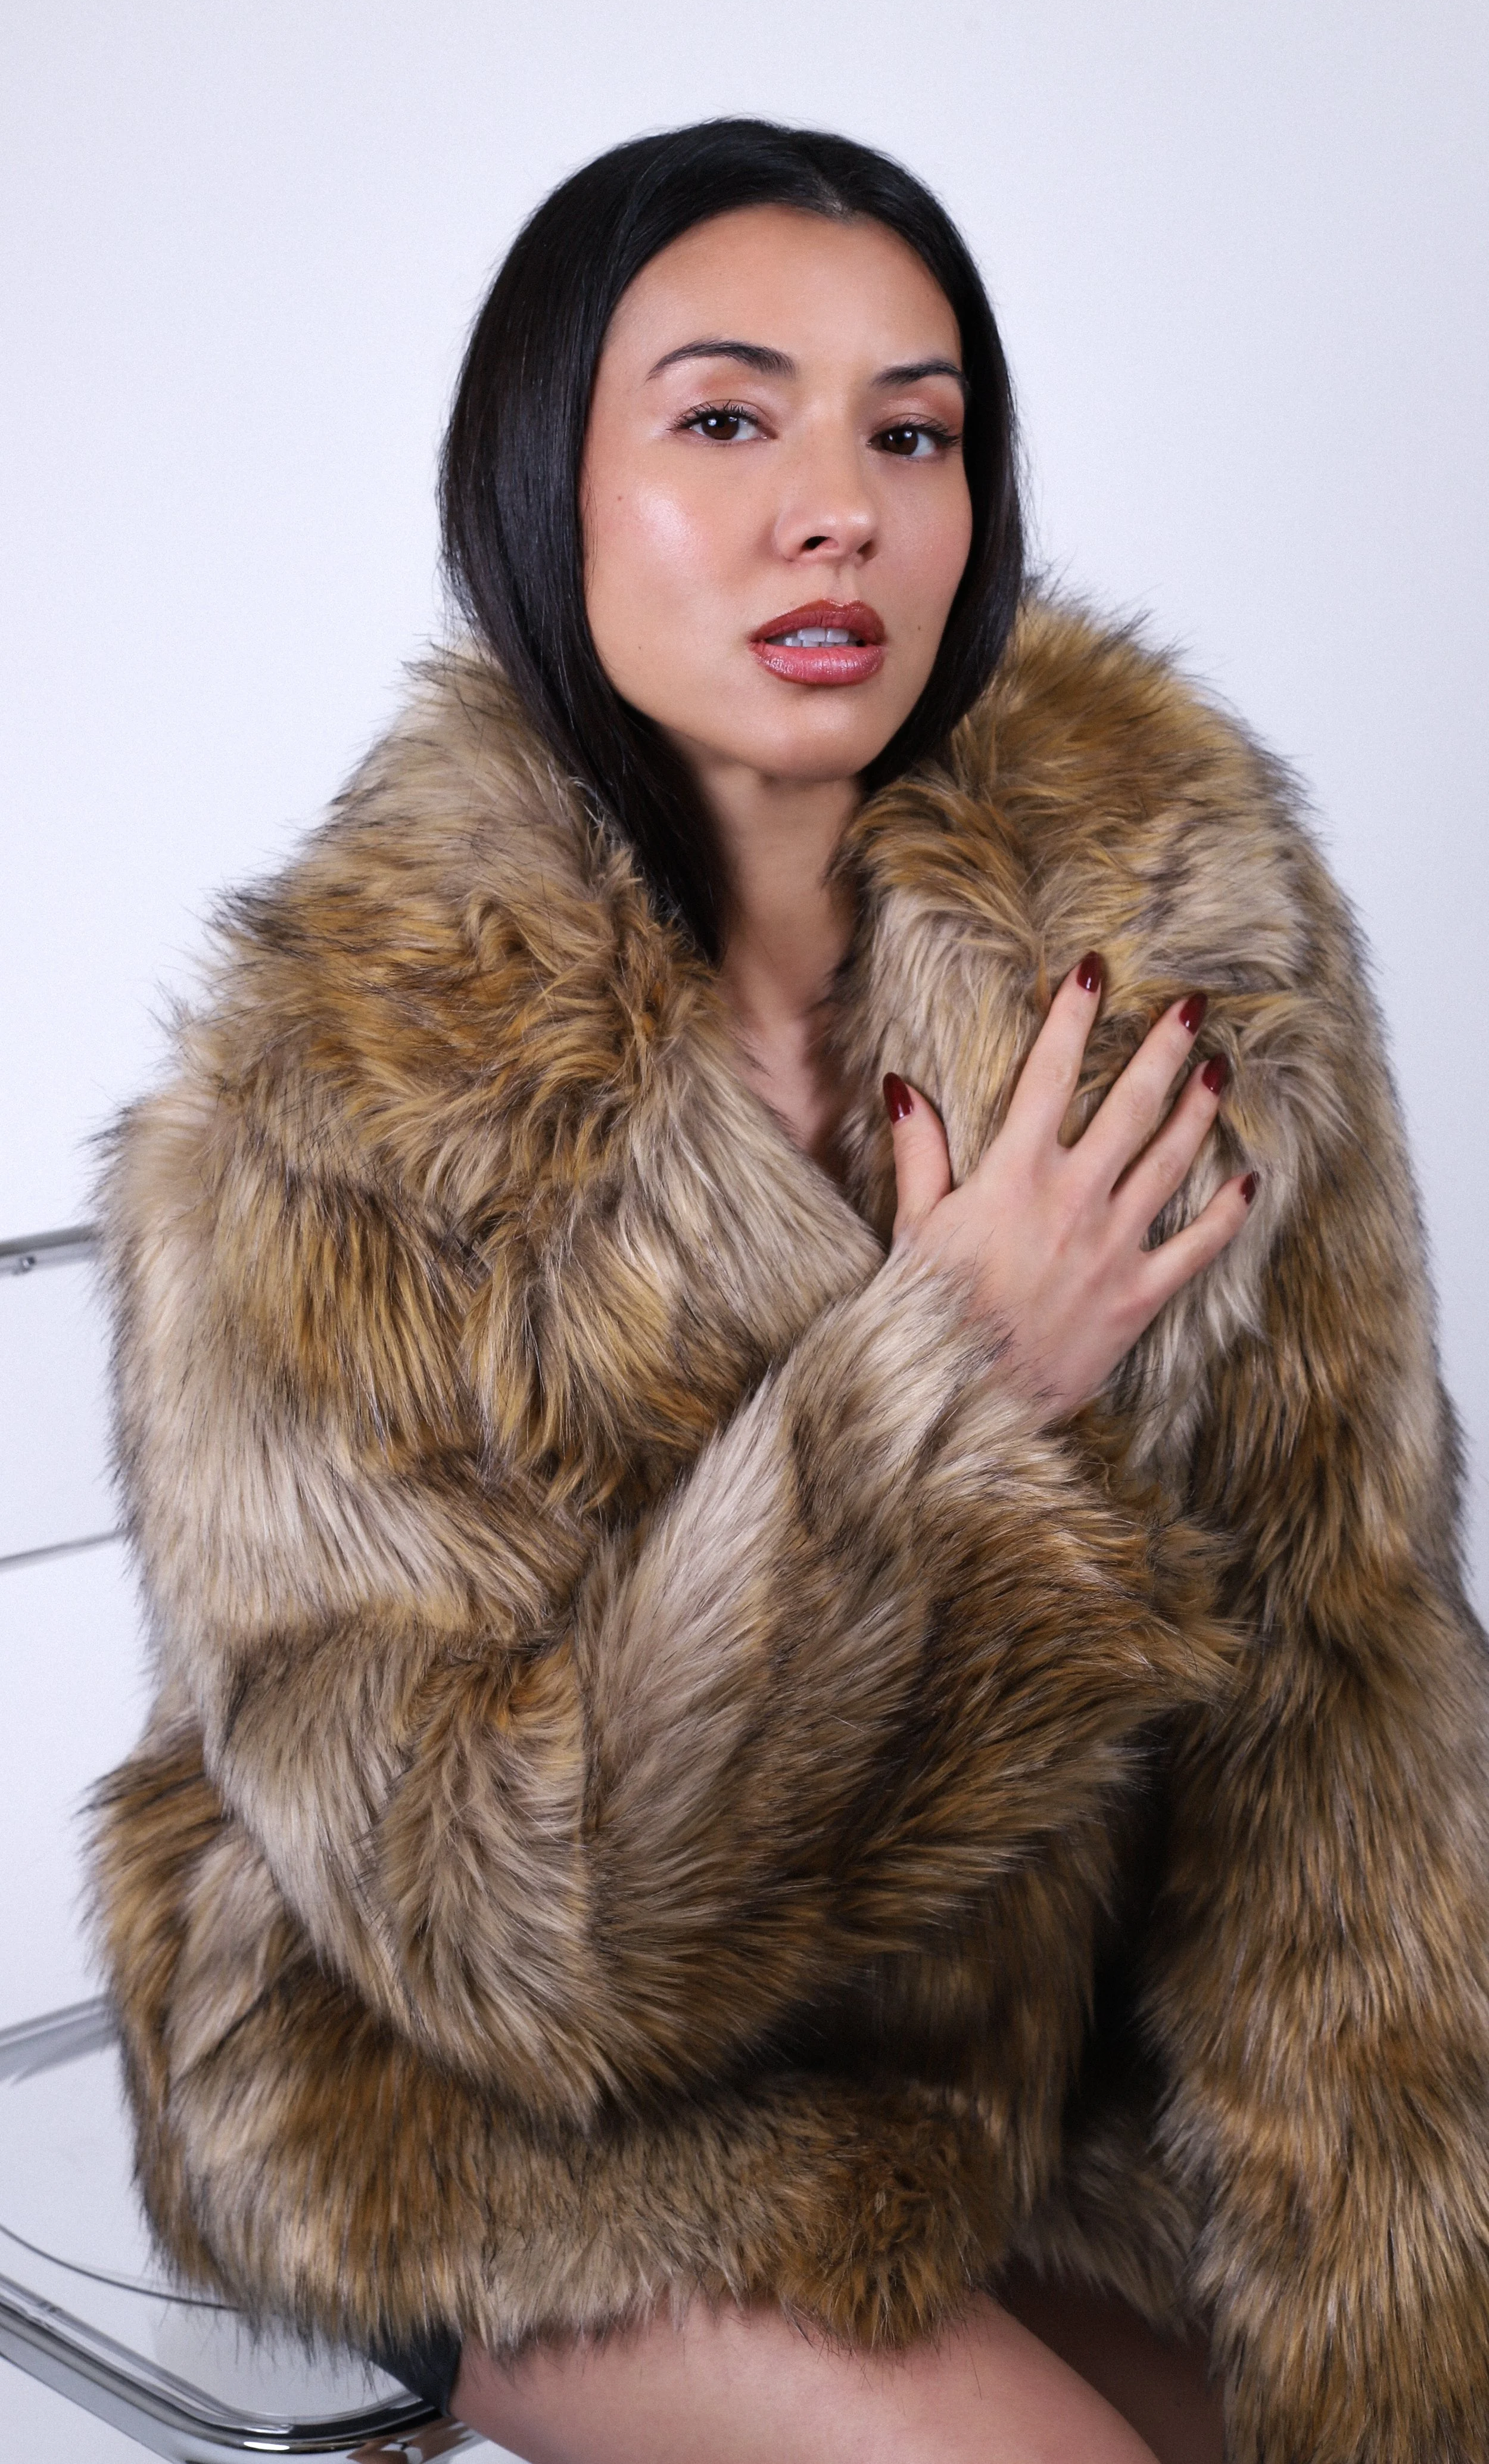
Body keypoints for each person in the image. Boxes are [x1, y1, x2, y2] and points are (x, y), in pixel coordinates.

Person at [92, 121, 1488, 2464]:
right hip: (476, 2101)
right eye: (727, 418)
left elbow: (1339, 1674)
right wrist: (934, 1402)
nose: (834, 505)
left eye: (910, 430)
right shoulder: (344, 1089)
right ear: (547, 483)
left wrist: (1389, 2263)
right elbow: (505, 1941)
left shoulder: (1174, 947)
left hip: (1025, 2067)